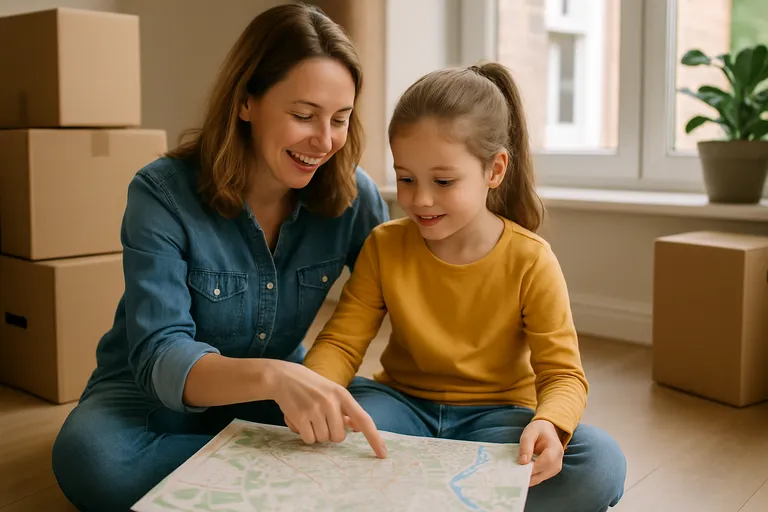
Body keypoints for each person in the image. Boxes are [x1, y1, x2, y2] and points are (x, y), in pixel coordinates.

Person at [51, 4, 390, 511]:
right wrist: (274, 376)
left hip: (271, 399)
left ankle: (232, 478)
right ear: (246, 101)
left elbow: (405, 297)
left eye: (339, 119)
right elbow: (161, 353)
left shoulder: (354, 196)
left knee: (389, 418)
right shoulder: (161, 193)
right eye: (303, 115)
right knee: (92, 459)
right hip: (152, 397)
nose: (324, 141)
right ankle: (282, 479)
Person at [301, 62, 627, 511]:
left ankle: (413, 494)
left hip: (497, 418)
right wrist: (314, 391)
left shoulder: (531, 260)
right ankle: (462, 497)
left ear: (495, 170)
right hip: (400, 408)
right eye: (406, 178)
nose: (420, 199)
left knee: (600, 463)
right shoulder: (384, 245)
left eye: (443, 181)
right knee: (331, 428)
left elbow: (562, 374)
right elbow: (341, 342)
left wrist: (550, 425)